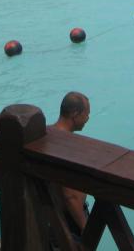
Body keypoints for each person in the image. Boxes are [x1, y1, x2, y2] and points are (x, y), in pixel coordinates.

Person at [52, 92, 91, 238]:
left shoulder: (46, 133)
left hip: (49, 217)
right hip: (67, 222)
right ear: (75, 114)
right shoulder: (68, 146)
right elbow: (70, 195)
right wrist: (85, 227)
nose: (88, 118)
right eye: (86, 114)